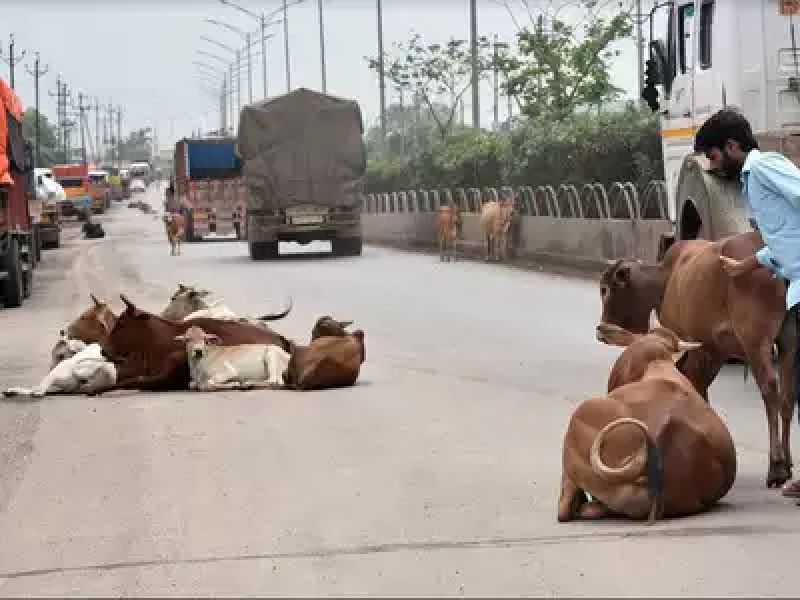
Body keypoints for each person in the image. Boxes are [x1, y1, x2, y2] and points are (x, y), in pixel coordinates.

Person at [693, 108, 800, 500]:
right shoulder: (753, 185)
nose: (713, 166)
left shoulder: (766, 167)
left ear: (733, 146)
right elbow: (785, 239)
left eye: (714, 156)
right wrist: (746, 264)